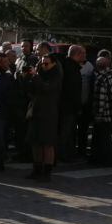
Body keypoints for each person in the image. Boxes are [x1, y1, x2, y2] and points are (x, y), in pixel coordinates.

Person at [25, 50, 62, 179]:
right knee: (35, 143)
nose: (43, 66)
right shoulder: (39, 73)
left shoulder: (56, 76)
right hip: (35, 111)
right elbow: (29, 90)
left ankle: (47, 172)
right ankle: (37, 169)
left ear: (53, 64)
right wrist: (26, 77)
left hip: (48, 113)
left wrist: (36, 76)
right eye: (42, 64)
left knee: (47, 144)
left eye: (46, 64)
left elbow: (47, 88)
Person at [90, 55, 112, 167]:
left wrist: (98, 115)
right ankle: (106, 159)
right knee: (107, 136)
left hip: (104, 113)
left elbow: (101, 98)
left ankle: (104, 160)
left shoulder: (101, 79)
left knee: (103, 138)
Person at [58, 45, 85, 162]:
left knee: (69, 132)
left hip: (69, 106)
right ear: (77, 54)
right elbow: (72, 90)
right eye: (83, 53)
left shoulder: (71, 66)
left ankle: (67, 154)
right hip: (68, 107)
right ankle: (61, 155)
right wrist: (77, 106)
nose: (85, 56)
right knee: (65, 132)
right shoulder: (70, 68)